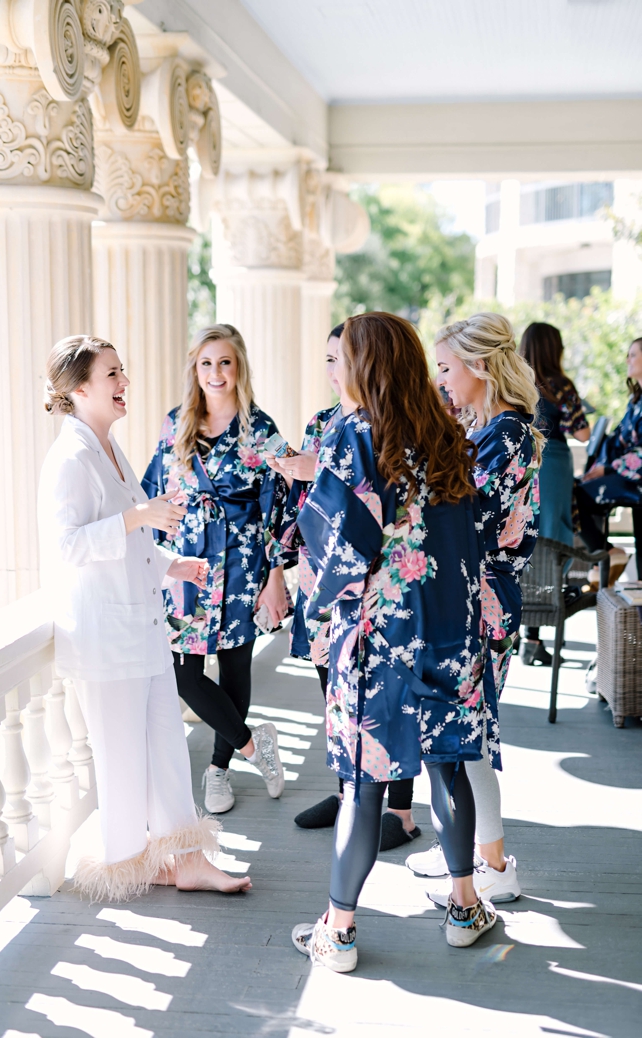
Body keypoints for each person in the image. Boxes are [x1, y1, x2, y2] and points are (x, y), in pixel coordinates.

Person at [291, 312, 497, 973]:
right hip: (448, 634)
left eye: (343, 358)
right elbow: (476, 539)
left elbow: (340, 548)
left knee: (363, 784)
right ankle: (465, 907)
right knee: (448, 767)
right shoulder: (450, 436)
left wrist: (316, 607)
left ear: (365, 365)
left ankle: (339, 931)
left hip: (380, 639)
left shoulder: (355, 435)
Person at [38, 334, 251, 901]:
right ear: (80, 389)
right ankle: (130, 861)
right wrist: (138, 516)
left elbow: (129, 543)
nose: (124, 383)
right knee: (123, 756)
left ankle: (186, 857)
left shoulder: (109, 448)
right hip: (106, 638)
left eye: (122, 372)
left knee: (165, 744)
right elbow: (68, 547)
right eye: (112, 375)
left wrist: (172, 565)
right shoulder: (71, 458)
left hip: (142, 627)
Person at [269, 326, 422, 851]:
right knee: (333, 688)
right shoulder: (322, 422)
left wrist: (322, 472)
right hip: (321, 574)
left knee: (387, 693)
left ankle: (398, 810)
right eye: (329, 358)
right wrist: (278, 566)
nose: (334, 370)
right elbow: (304, 507)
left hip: (373, 577)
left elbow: (379, 501)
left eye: (342, 359)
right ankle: (348, 789)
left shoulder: (388, 426)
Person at [406, 313, 541, 907]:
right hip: (482, 596)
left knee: (470, 734)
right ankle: (479, 852)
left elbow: (469, 521)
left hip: (480, 601)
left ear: (479, 366)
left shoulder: (505, 435)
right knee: (471, 732)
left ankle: (492, 864)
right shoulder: (496, 427)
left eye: (445, 368)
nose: (439, 382)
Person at [142, 324, 287, 816]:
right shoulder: (175, 423)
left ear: (239, 366)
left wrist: (276, 575)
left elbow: (281, 504)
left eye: (224, 362)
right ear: (195, 368)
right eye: (206, 363)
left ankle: (219, 770)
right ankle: (253, 744)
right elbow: (153, 496)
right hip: (189, 564)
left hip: (243, 562)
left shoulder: (259, 429)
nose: (215, 373)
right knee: (184, 673)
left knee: (233, 667)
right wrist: (153, 564)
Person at [518, 322, 590, 666]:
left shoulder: (517, 381)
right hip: (555, 463)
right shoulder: (561, 386)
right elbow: (583, 433)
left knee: (524, 535)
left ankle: (520, 631)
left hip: (523, 459)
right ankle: (534, 635)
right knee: (553, 537)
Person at [575, 337, 642, 556]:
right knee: (577, 490)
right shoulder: (635, 401)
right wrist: (600, 465)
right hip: (628, 474)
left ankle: (605, 555)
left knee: (577, 496)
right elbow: (619, 439)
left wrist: (609, 469)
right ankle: (605, 556)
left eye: (633, 355)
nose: (628, 360)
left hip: (633, 475)